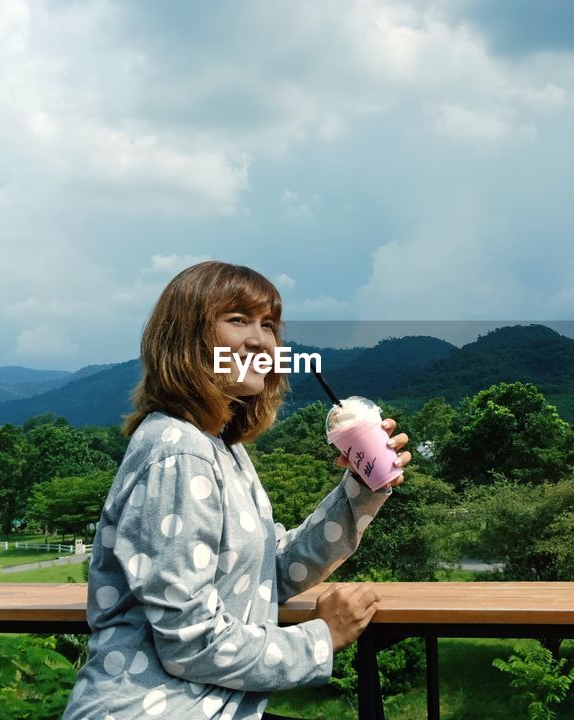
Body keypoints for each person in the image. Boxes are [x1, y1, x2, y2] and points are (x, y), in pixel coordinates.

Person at [61, 261, 410, 720]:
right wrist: (321, 638)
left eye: (269, 325)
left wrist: (361, 489)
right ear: (187, 338)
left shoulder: (219, 446)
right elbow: (190, 640)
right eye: (238, 319)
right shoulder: (179, 450)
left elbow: (272, 574)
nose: (261, 339)